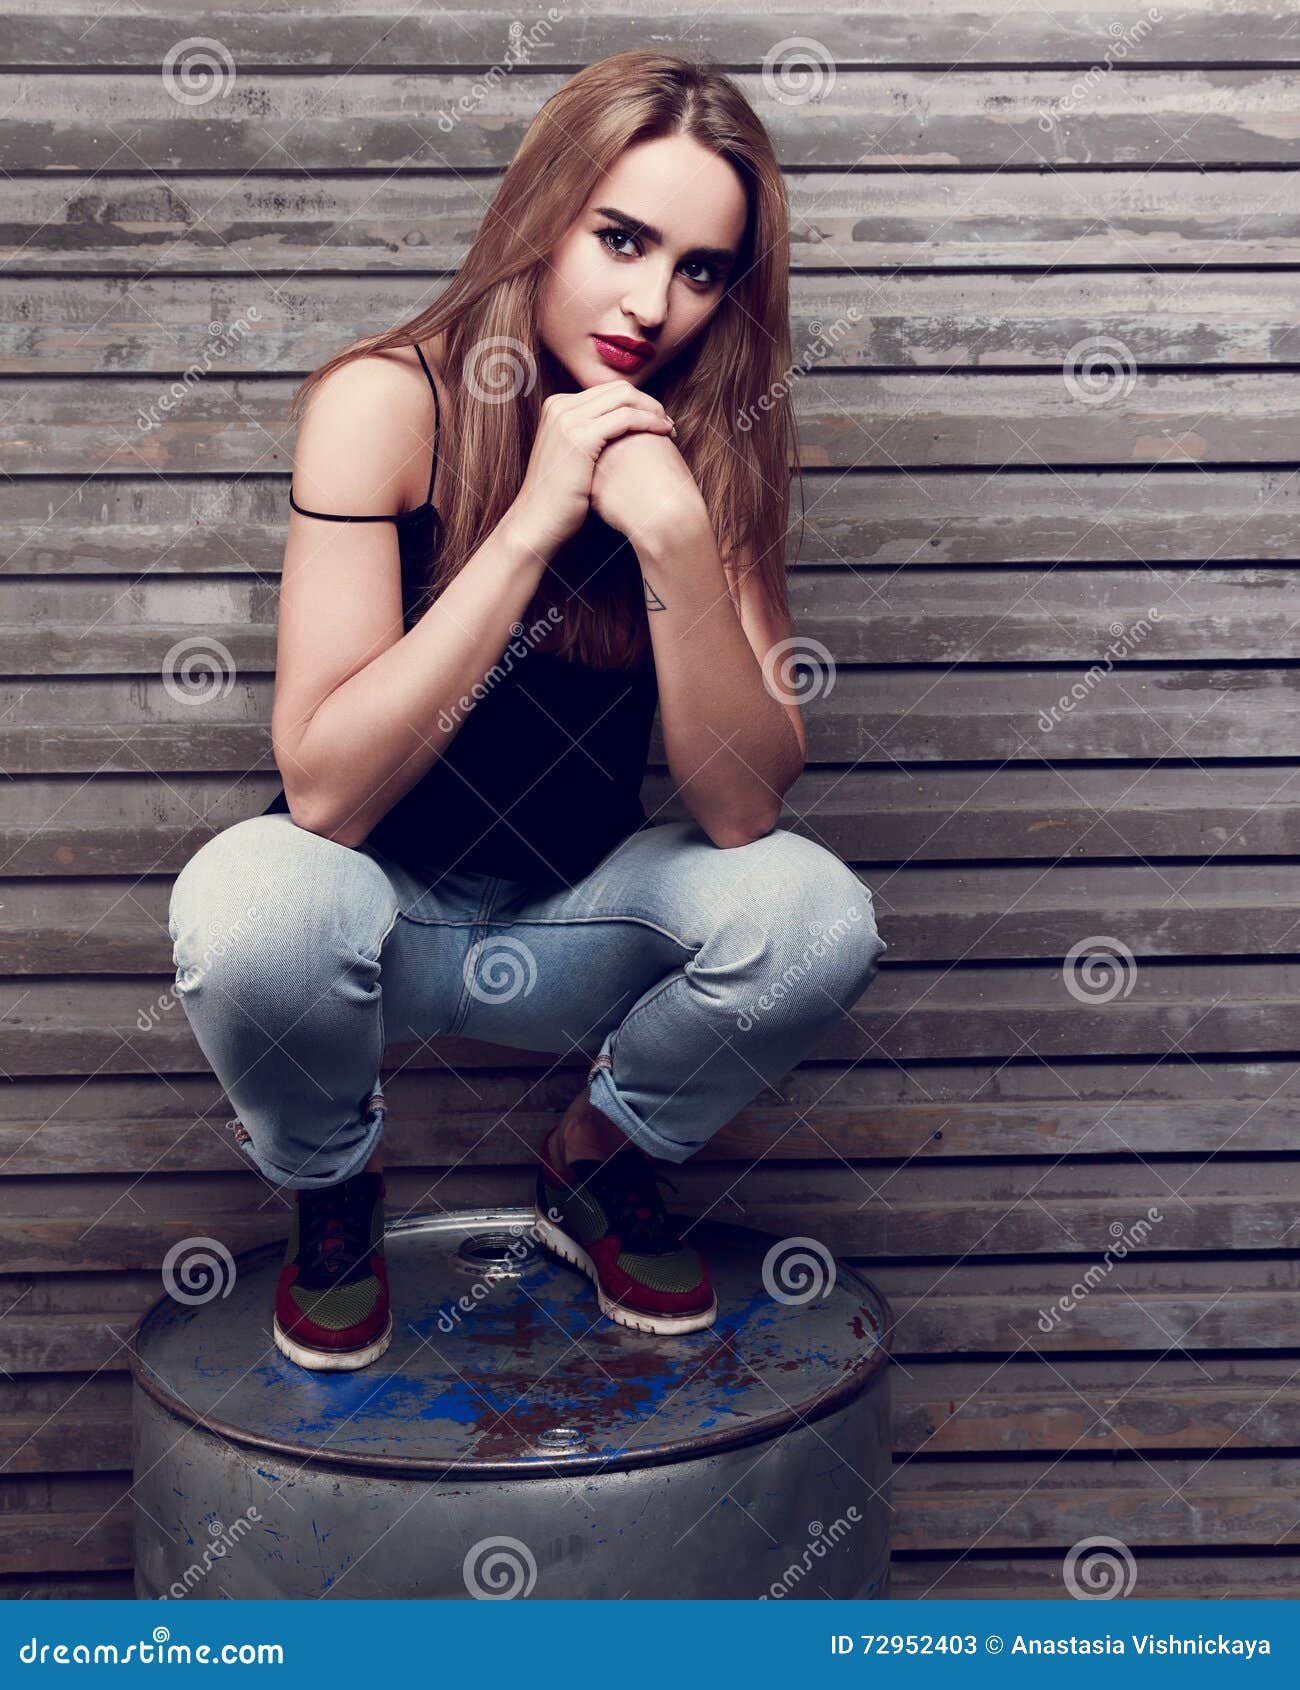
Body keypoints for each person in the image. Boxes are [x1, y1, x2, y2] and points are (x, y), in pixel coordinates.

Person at [167, 49, 887, 1372]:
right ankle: (333, 1191)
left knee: (814, 910)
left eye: (700, 268)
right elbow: (325, 790)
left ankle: (594, 1160)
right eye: (620, 237)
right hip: (368, 926)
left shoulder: (715, 438)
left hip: (575, 921)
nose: (651, 302)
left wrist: (674, 540)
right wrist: (529, 528)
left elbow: (739, 805)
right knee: (246, 900)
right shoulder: (385, 402)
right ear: (543, 211)